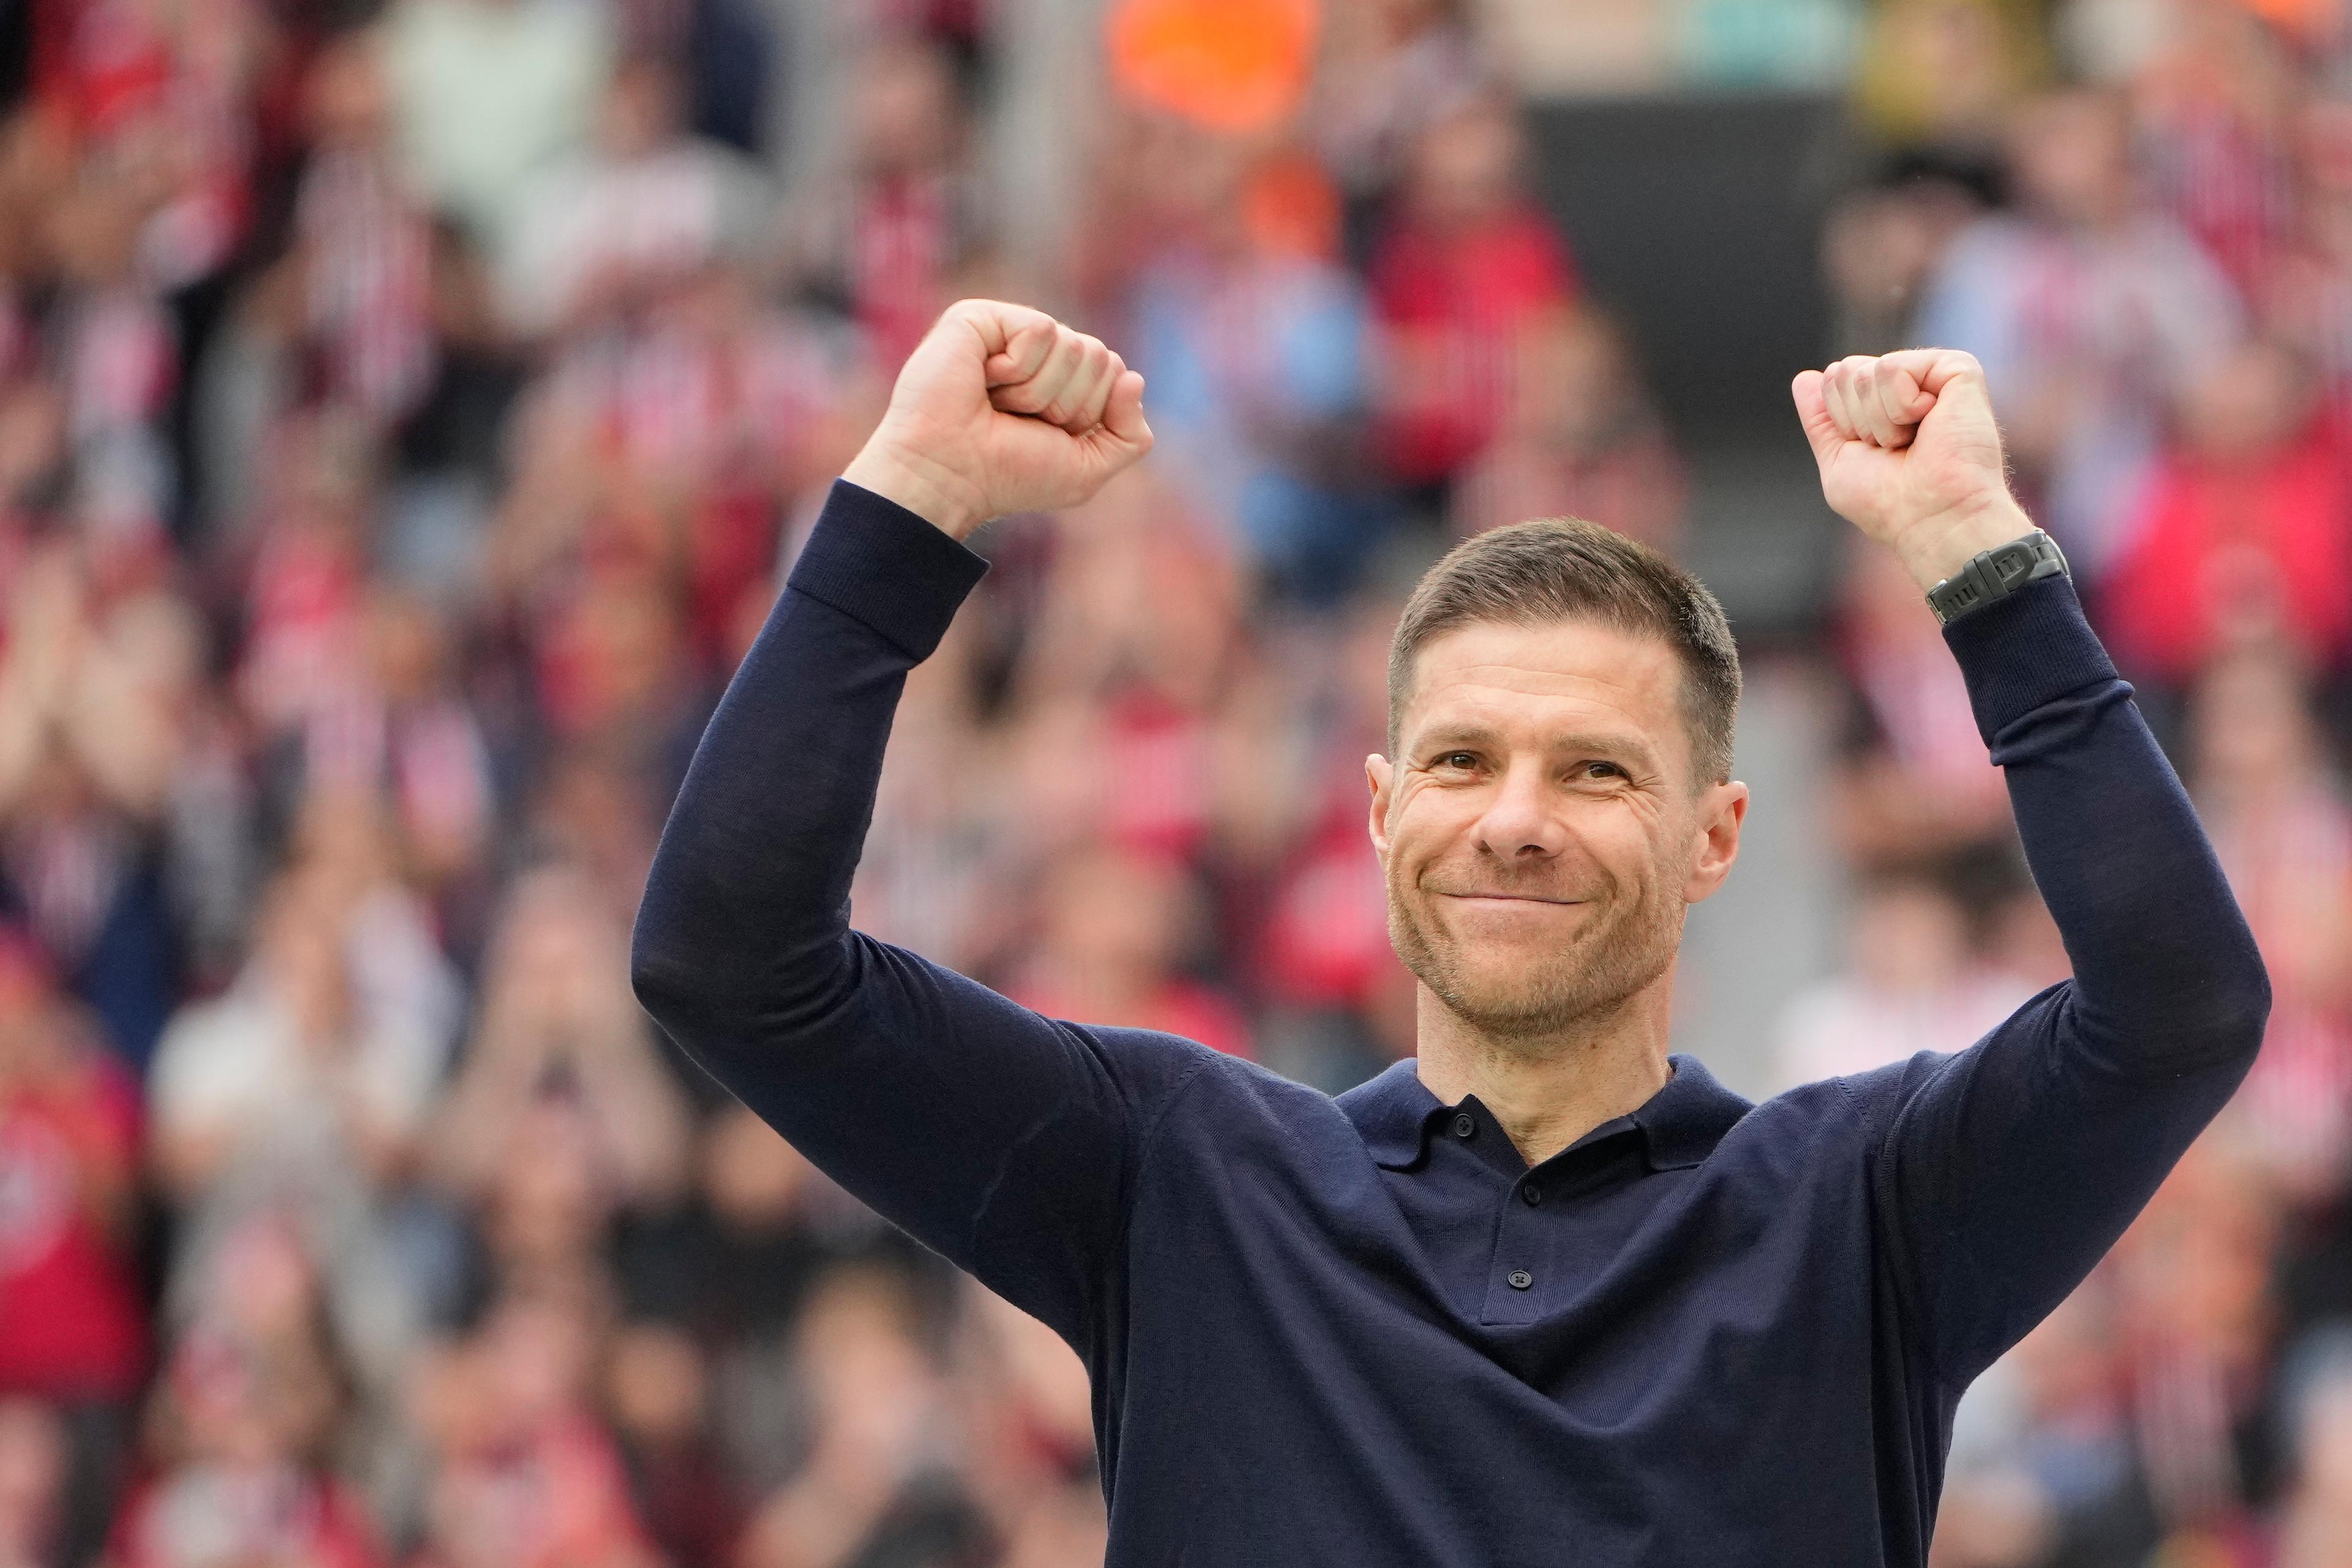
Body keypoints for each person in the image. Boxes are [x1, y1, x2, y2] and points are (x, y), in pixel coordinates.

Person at [631, 298, 2270, 1562]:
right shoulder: (1180, 1181)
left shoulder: (1865, 1211)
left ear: (1717, 839)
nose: (1515, 817)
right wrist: (908, 500)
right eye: (1464, 760)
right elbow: (733, 960)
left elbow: (2178, 1006)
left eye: (1597, 770)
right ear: (1378, 812)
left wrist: (1982, 558)